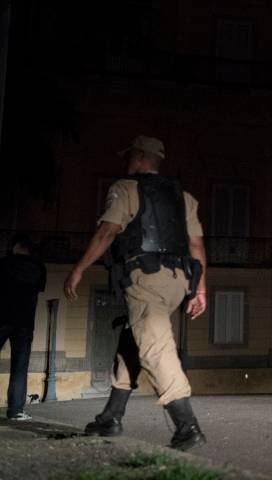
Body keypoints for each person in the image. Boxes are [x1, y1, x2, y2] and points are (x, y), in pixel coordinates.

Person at [64, 136, 208, 451]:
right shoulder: (185, 197)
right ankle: (111, 416)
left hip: (146, 277)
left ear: (140, 157)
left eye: (129, 156)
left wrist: (78, 269)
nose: (125, 161)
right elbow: (196, 245)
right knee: (132, 340)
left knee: (155, 346)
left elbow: (108, 230)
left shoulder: (125, 189)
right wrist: (200, 288)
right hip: (178, 280)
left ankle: (187, 426)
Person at [0, 233, 45, 421]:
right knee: (20, 367)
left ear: (15, 246)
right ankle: (15, 411)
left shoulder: (2, 263)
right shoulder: (39, 267)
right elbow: (39, 289)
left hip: (1, 318)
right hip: (25, 323)